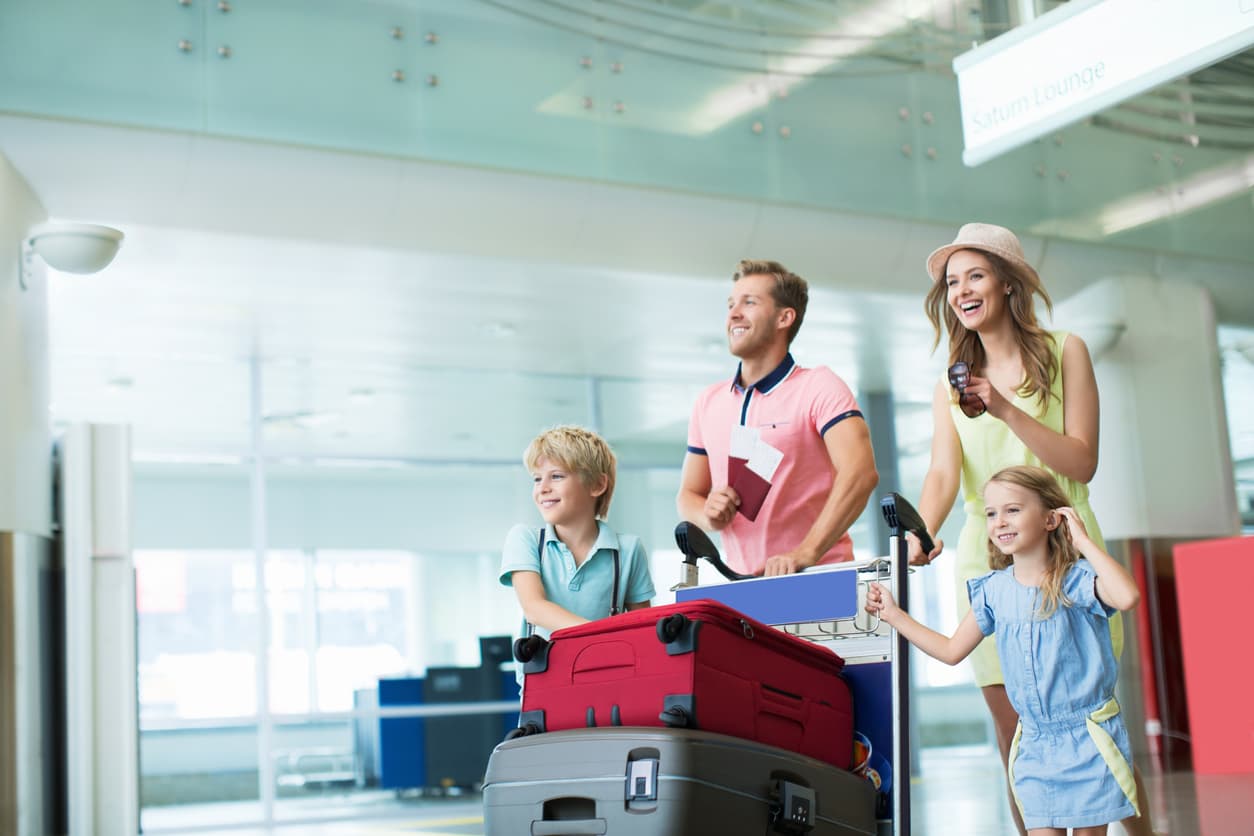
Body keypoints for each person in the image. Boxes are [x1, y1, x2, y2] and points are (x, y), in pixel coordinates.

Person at [911, 222, 1152, 835]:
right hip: (987, 561)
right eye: (952, 281)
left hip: (1066, 554)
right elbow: (943, 473)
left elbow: (1082, 461)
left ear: (1007, 282)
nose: (961, 290)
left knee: (1091, 720)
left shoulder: (1064, 349)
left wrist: (1005, 407)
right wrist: (920, 529)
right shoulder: (950, 381)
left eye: (975, 275)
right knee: (1017, 731)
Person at [867, 466, 1141, 836]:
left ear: (1050, 519)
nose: (999, 521)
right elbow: (950, 651)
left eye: (1012, 509)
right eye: (991, 513)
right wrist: (895, 615)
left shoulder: (1076, 580)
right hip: (1034, 745)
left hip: (1087, 741)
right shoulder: (992, 590)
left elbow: (1127, 596)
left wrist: (1083, 542)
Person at [677, 259, 878, 577]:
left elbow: (860, 473)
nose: (733, 313)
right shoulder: (708, 402)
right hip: (741, 585)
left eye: (749, 302)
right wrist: (708, 515)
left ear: (785, 317)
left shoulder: (818, 386)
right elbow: (688, 494)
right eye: (731, 304)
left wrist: (806, 552)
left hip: (817, 577)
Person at [499, 425, 655, 649]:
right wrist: (603, 640)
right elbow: (534, 608)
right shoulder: (525, 540)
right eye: (536, 479)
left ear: (597, 485)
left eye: (557, 476)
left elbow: (643, 628)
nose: (542, 488)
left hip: (606, 677)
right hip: (545, 681)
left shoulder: (628, 550)